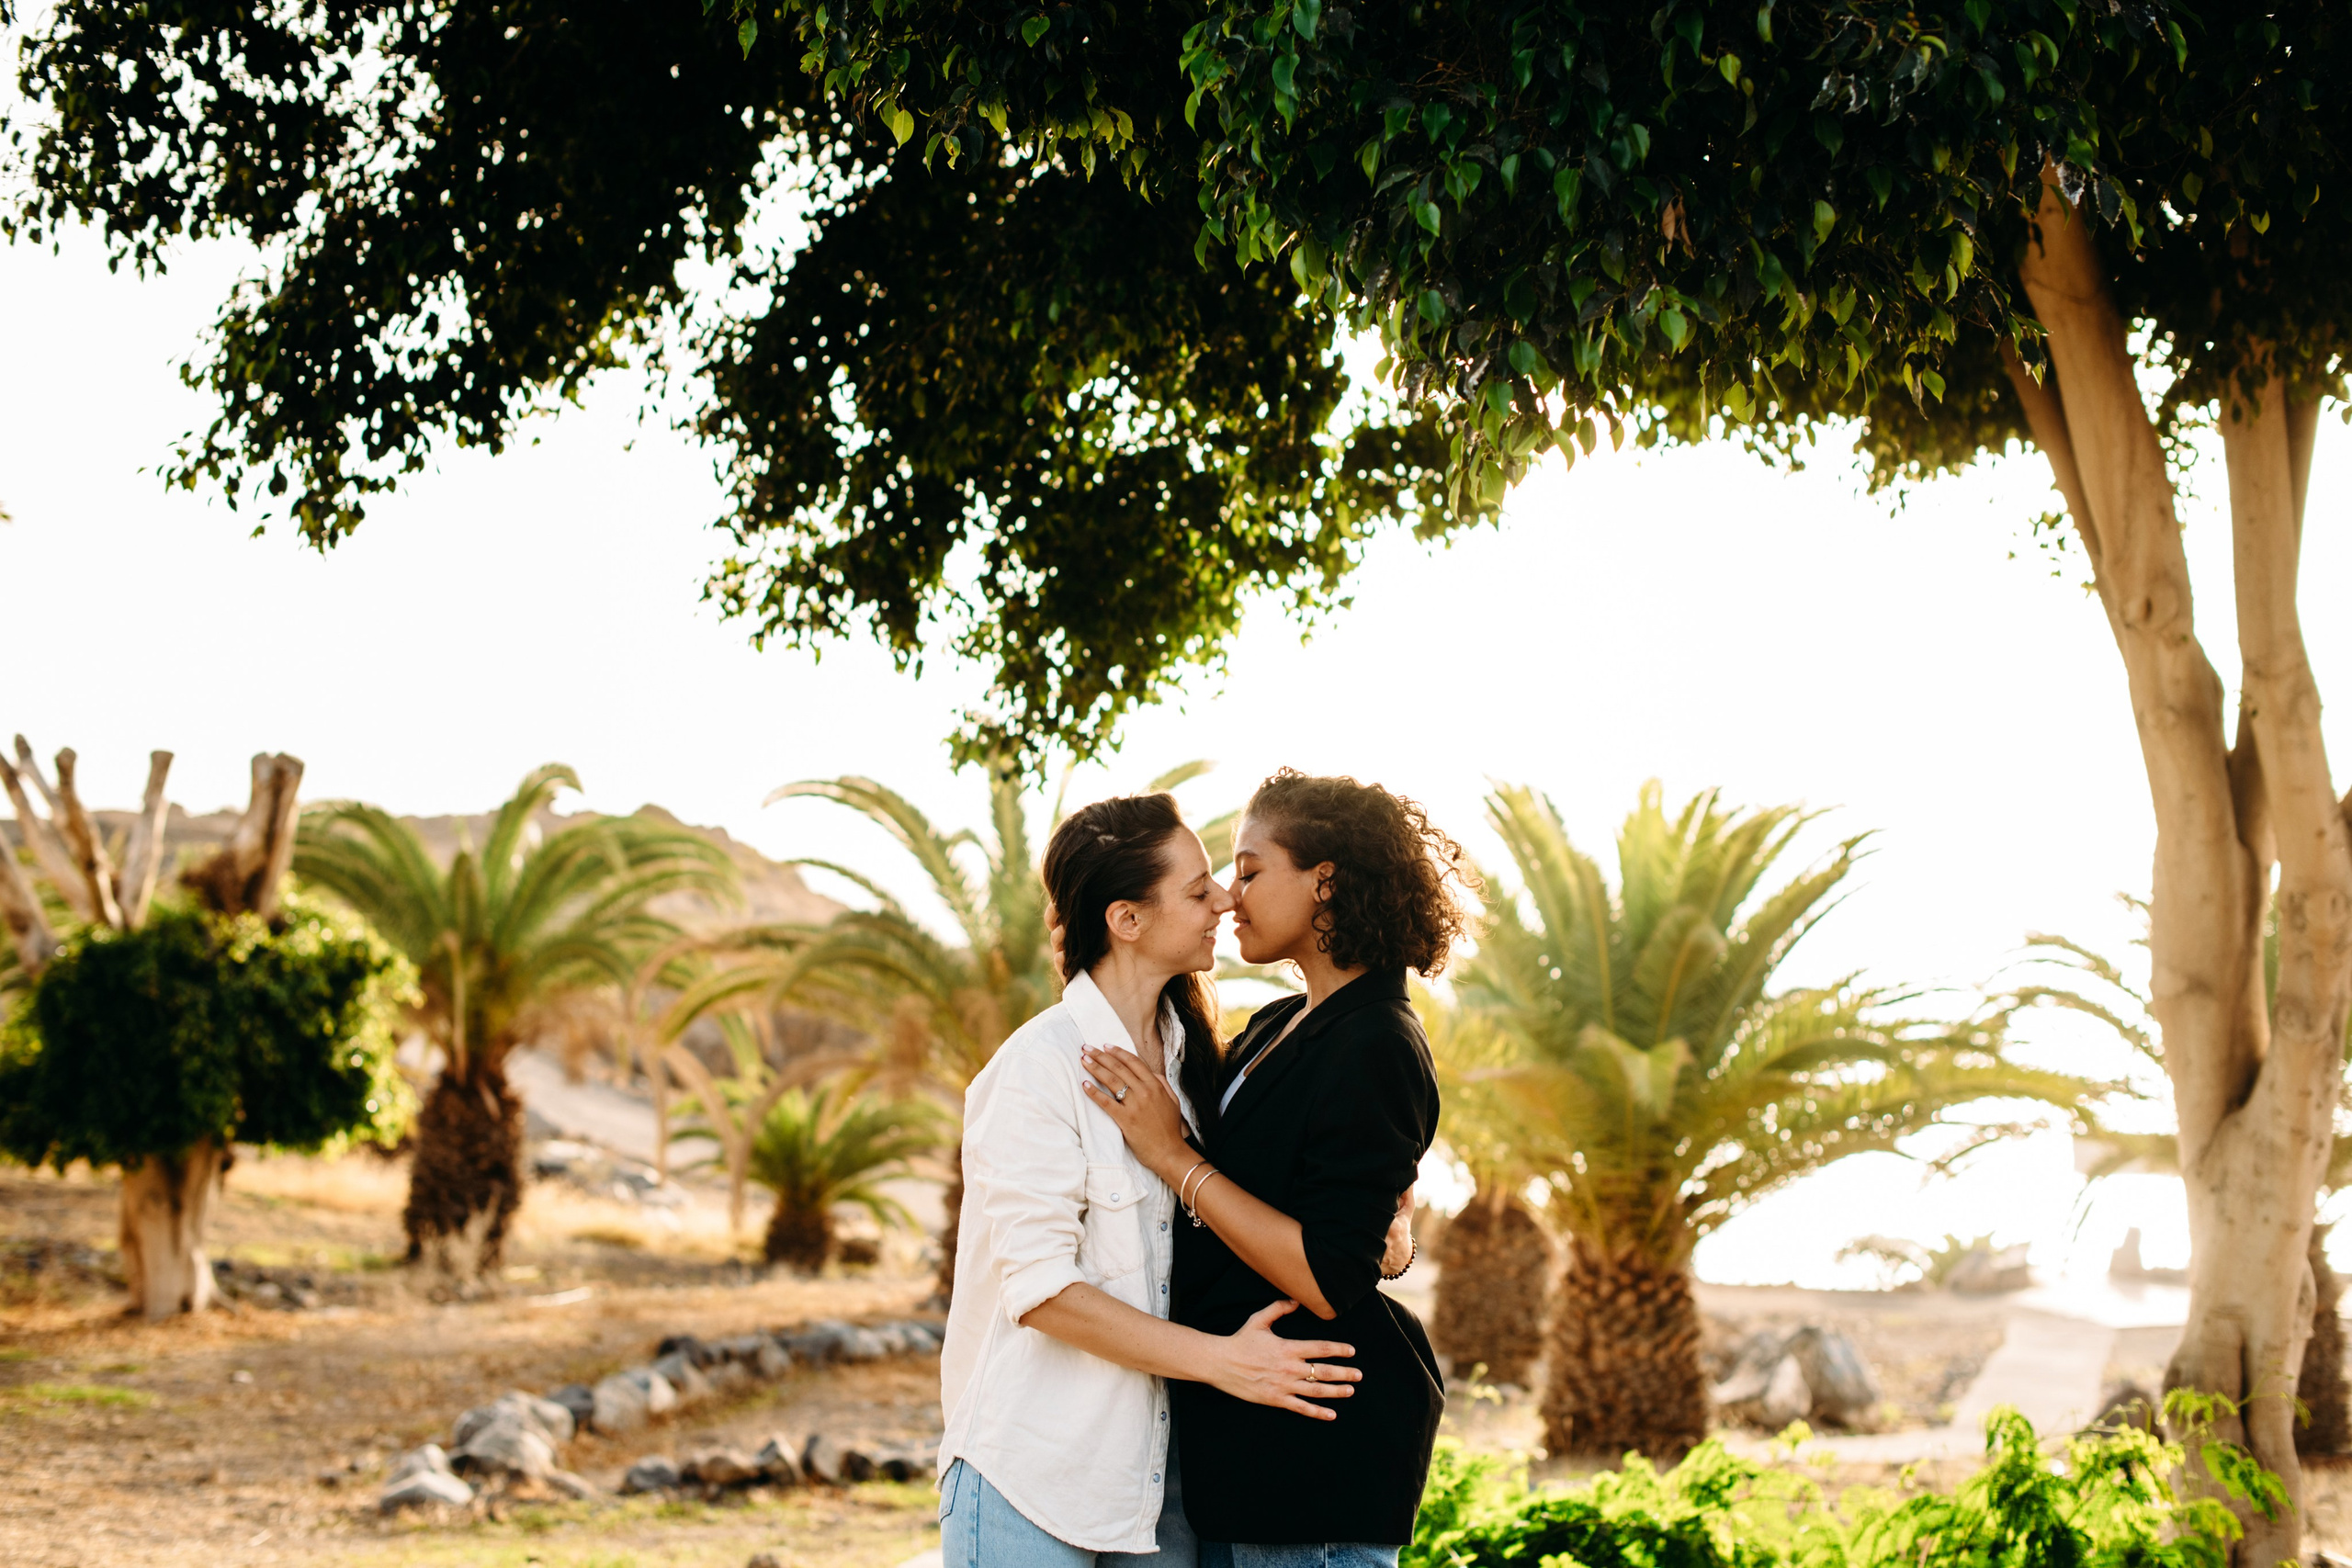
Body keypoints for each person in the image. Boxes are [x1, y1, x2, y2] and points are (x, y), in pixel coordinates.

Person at [937, 791, 1367, 1568]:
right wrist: (1225, 1361)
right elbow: (1042, 1292)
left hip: (1160, 1489)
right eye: (1198, 890)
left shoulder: (1202, 1069)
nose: (1225, 900)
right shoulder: (1037, 1068)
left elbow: (1268, 1213)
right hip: (1030, 1480)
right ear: (1127, 919)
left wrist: (1385, 1232)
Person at [1080, 770, 1469, 1568]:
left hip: (1315, 1464)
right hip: (1244, 1453)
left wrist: (1173, 1157)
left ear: (1325, 881)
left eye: (1251, 871)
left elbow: (1328, 1276)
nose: (1230, 896)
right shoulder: (1278, 1023)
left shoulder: (1378, 1041)